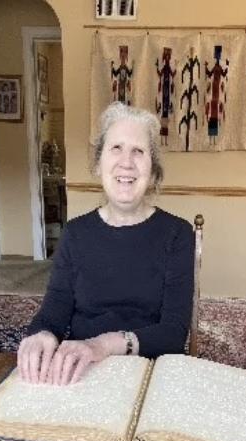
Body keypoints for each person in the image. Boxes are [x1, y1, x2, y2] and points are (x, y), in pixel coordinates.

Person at [18, 101, 195, 386]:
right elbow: (54, 310)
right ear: (98, 164)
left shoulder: (177, 234)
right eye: (116, 148)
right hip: (81, 370)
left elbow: (173, 332)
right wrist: (41, 335)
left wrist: (103, 345)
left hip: (150, 370)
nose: (126, 162)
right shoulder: (75, 233)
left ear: (152, 173)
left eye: (138, 151)